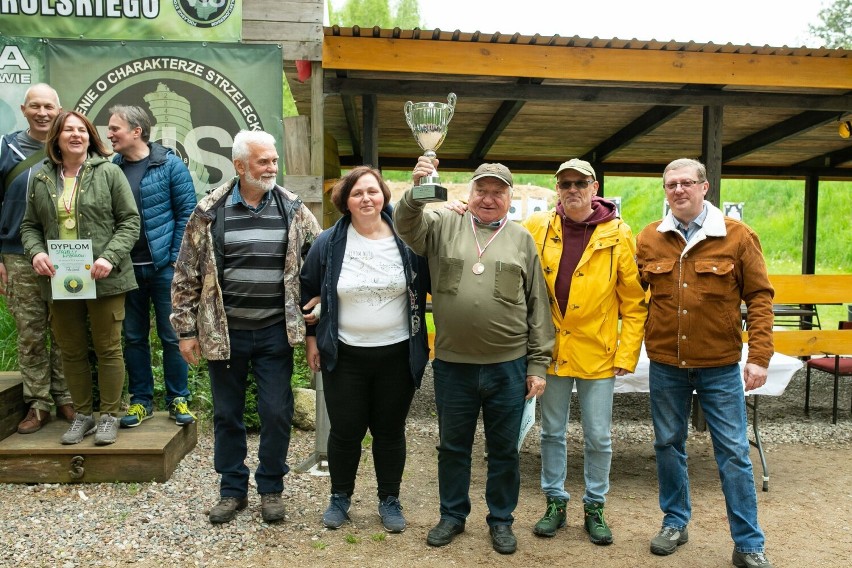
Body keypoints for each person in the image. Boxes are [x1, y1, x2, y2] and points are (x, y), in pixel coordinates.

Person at [393, 157, 554, 555]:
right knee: (453, 446)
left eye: (498, 192)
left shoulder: (521, 239)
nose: (488, 198)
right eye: (482, 190)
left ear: (509, 199)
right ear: (470, 192)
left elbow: (538, 306)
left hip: (508, 365)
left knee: (503, 450)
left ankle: (501, 520)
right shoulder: (444, 224)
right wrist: (416, 192)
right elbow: (406, 226)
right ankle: (452, 515)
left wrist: (537, 365)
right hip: (453, 365)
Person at [170, 130, 321, 524]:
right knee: (227, 414)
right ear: (240, 166)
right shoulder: (209, 210)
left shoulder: (292, 208)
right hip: (225, 333)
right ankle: (232, 489)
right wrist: (186, 332)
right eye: (263, 162)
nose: (272, 168)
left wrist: (317, 304)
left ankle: (271, 488)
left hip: (275, 331)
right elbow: (185, 273)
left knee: (275, 411)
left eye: (274, 160)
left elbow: (321, 256)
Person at [636, 158, 775, 568]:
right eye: (670, 185)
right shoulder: (649, 238)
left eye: (686, 183)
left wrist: (760, 357)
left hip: (720, 364)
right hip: (665, 363)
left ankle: (748, 543)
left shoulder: (738, 237)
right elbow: (631, 297)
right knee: (667, 443)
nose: (678, 190)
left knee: (733, 451)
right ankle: (675, 522)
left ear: (704, 187)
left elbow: (761, 299)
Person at [522, 159, 647, 544]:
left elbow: (634, 301)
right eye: (564, 183)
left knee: (598, 436)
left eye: (579, 183)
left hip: (598, 351)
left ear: (594, 187)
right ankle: (555, 502)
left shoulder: (618, 232)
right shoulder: (536, 227)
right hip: (552, 350)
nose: (571, 189)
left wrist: (626, 354)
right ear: (556, 187)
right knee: (552, 432)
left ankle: (595, 506)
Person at [300, 166, 430, 533]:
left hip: (396, 354)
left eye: (372, 191)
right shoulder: (328, 242)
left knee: (390, 431)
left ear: (384, 195)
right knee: (345, 431)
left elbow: (434, 279)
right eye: (357, 193)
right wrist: (312, 340)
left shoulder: (407, 240)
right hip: (345, 354)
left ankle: (389, 499)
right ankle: (340, 497)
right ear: (346, 201)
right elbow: (306, 289)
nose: (366, 199)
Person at [20, 110, 140, 446]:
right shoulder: (41, 178)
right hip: (60, 279)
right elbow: (29, 226)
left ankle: (110, 416)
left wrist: (108, 257)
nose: (76, 135)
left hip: (104, 276)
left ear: (90, 136)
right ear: (56, 137)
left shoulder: (110, 173)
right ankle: (84, 415)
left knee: (108, 348)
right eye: (69, 130)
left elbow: (130, 222)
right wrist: (37, 253)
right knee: (71, 350)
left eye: (82, 130)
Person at [106, 105, 197, 429]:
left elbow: (188, 214)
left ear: (136, 131)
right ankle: (141, 401)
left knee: (172, 336)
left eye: (115, 128)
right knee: (133, 337)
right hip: (126, 270)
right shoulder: (111, 168)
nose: (109, 133)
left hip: (163, 269)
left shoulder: (170, 165)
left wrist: (173, 261)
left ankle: (178, 398)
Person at [0, 84, 75, 433]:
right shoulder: (6, 148)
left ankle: (66, 397)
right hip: (17, 254)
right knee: (31, 334)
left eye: (49, 106)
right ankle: (38, 402)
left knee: (65, 330)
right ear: (24, 109)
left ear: (59, 109)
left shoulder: (69, 148)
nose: (42, 113)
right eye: (35, 106)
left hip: (67, 256)